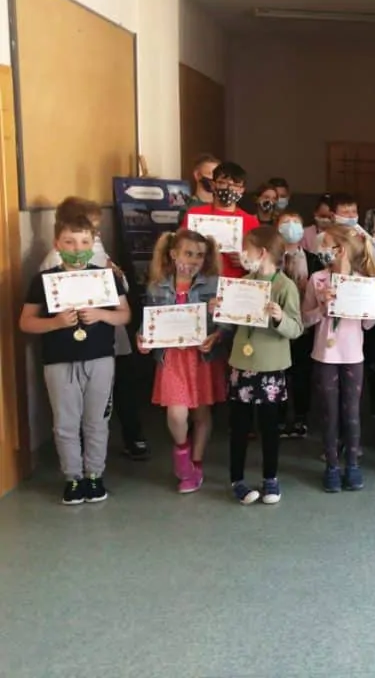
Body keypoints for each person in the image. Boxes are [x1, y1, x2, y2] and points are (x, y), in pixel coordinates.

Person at [20, 214, 131, 504]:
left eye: (84, 241)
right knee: (65, 423)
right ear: (57, 244)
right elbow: (26, 322)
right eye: (69, 241)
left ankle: (94, 475)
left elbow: (124, 315)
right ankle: (73, 478)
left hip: (100, 359)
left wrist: (101, 314)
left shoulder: (106, 277)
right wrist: (55, 323)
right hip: (59, 361)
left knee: (97, 421)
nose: (77, 248)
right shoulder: (43, 280)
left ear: (93, 243)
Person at [41, 197, 148, 460]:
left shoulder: (97, 248)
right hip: (70, 346)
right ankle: (74, 463)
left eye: (94, 231)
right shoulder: (53, 261)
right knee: (72, 410)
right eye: (91, 226)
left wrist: (115, 277)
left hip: (106, 337)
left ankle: (122, 445)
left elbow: (121, 301)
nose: (92, 236)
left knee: (114, 395)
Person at [139, 229, 226, 493]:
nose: (194, 260)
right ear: (173, 254)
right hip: (172, 360)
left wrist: (217, 335)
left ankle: (196, 464)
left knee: (201, 413)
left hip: (201, 358)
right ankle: (182, 452)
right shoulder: (157, 285)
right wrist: (142, 338)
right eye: (188, 253)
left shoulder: (213, 285)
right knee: (177, 414)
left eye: (200, 255)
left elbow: (227, 323)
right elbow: (148, 321)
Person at [304, 225, 375, 492]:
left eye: (326, 245)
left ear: (340, 249)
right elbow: (305, 319)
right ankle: (331, 466)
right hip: (324, 355)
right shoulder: (317, 278)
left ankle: (352, 465)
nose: (322, 251)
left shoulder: (363, 281)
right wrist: (321, 307)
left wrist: (374, 305)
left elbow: (369, 325)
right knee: (329, 412)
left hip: (353, 356)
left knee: (352, 412)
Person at [224, 227, 304, 505]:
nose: (243, 255)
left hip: (271, 366)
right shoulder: (242, 283)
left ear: (263, 252)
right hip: (242, 363)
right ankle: (237, 479)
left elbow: (296, 328)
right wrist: (219, 308)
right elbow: (231, 321)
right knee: (239, 426)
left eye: (247, 249)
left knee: (270, 427)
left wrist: (280, 317)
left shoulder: (285, 286)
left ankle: (271, 478)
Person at [276, 211, 323, 438]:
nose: (291, 226)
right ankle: (278, 417)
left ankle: (301, 417)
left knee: (302, 373)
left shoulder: (313, 259)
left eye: (296, 222)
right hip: (277, 324)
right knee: (279, 372)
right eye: (286, 222)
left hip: (305, 325)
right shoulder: (271, 258)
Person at [181, 161, 259, 279]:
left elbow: (259, 262)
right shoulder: (194, 214)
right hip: (199, 281)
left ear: (242, 190)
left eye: (235, 185)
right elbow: (181, 249)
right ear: (213, 185)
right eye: (223, 183)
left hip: (235, 283)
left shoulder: (251, 221)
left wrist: (246, 262)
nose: (229, 189)